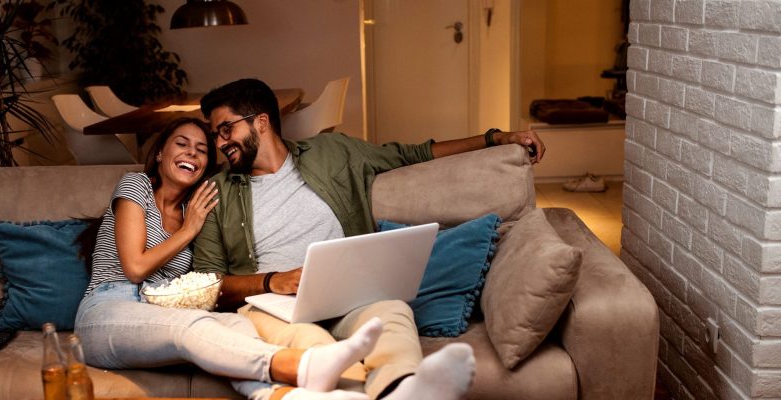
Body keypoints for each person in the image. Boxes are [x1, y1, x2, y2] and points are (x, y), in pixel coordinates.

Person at [193, 78, 545, 400]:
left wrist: (496, 139)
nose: (219, 143)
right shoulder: (217, 192)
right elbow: (205, 286)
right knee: (313, 344)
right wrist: (272, 281)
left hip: (348, 296)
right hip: (274, 308)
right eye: (215, 134)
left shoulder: (332, 152)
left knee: (392, 313)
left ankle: (404, 388)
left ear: (262, 121)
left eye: (225, 129)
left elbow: (412, 154)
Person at [74, 117, 388, 400]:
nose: (191, 154)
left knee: (237, 325)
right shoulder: (136, 185)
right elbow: (135, 268)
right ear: (159, 154)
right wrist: (188, 230)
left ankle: (289, 397)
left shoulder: (195, 208)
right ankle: (302, 365)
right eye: (181, 144)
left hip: (159, 311)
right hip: (106, 310)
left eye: (201, 150)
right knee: (189, 326)